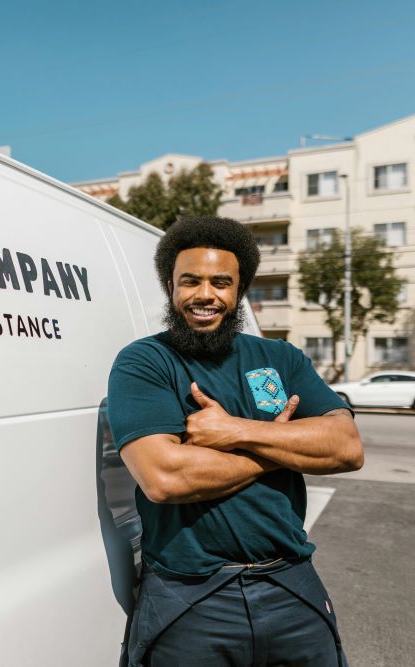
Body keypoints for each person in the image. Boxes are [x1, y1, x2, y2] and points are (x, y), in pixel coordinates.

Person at [107, 216, 364, 666]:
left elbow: (345, 446)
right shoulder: (145, 361)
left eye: (221, 282)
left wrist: (236, 431)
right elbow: (165, 477)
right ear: (171, 285)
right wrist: (282, 446)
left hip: (291, 584)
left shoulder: (280, 358)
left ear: (239, 290)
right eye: (191, 281)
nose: (205, 295)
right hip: (191, 597)